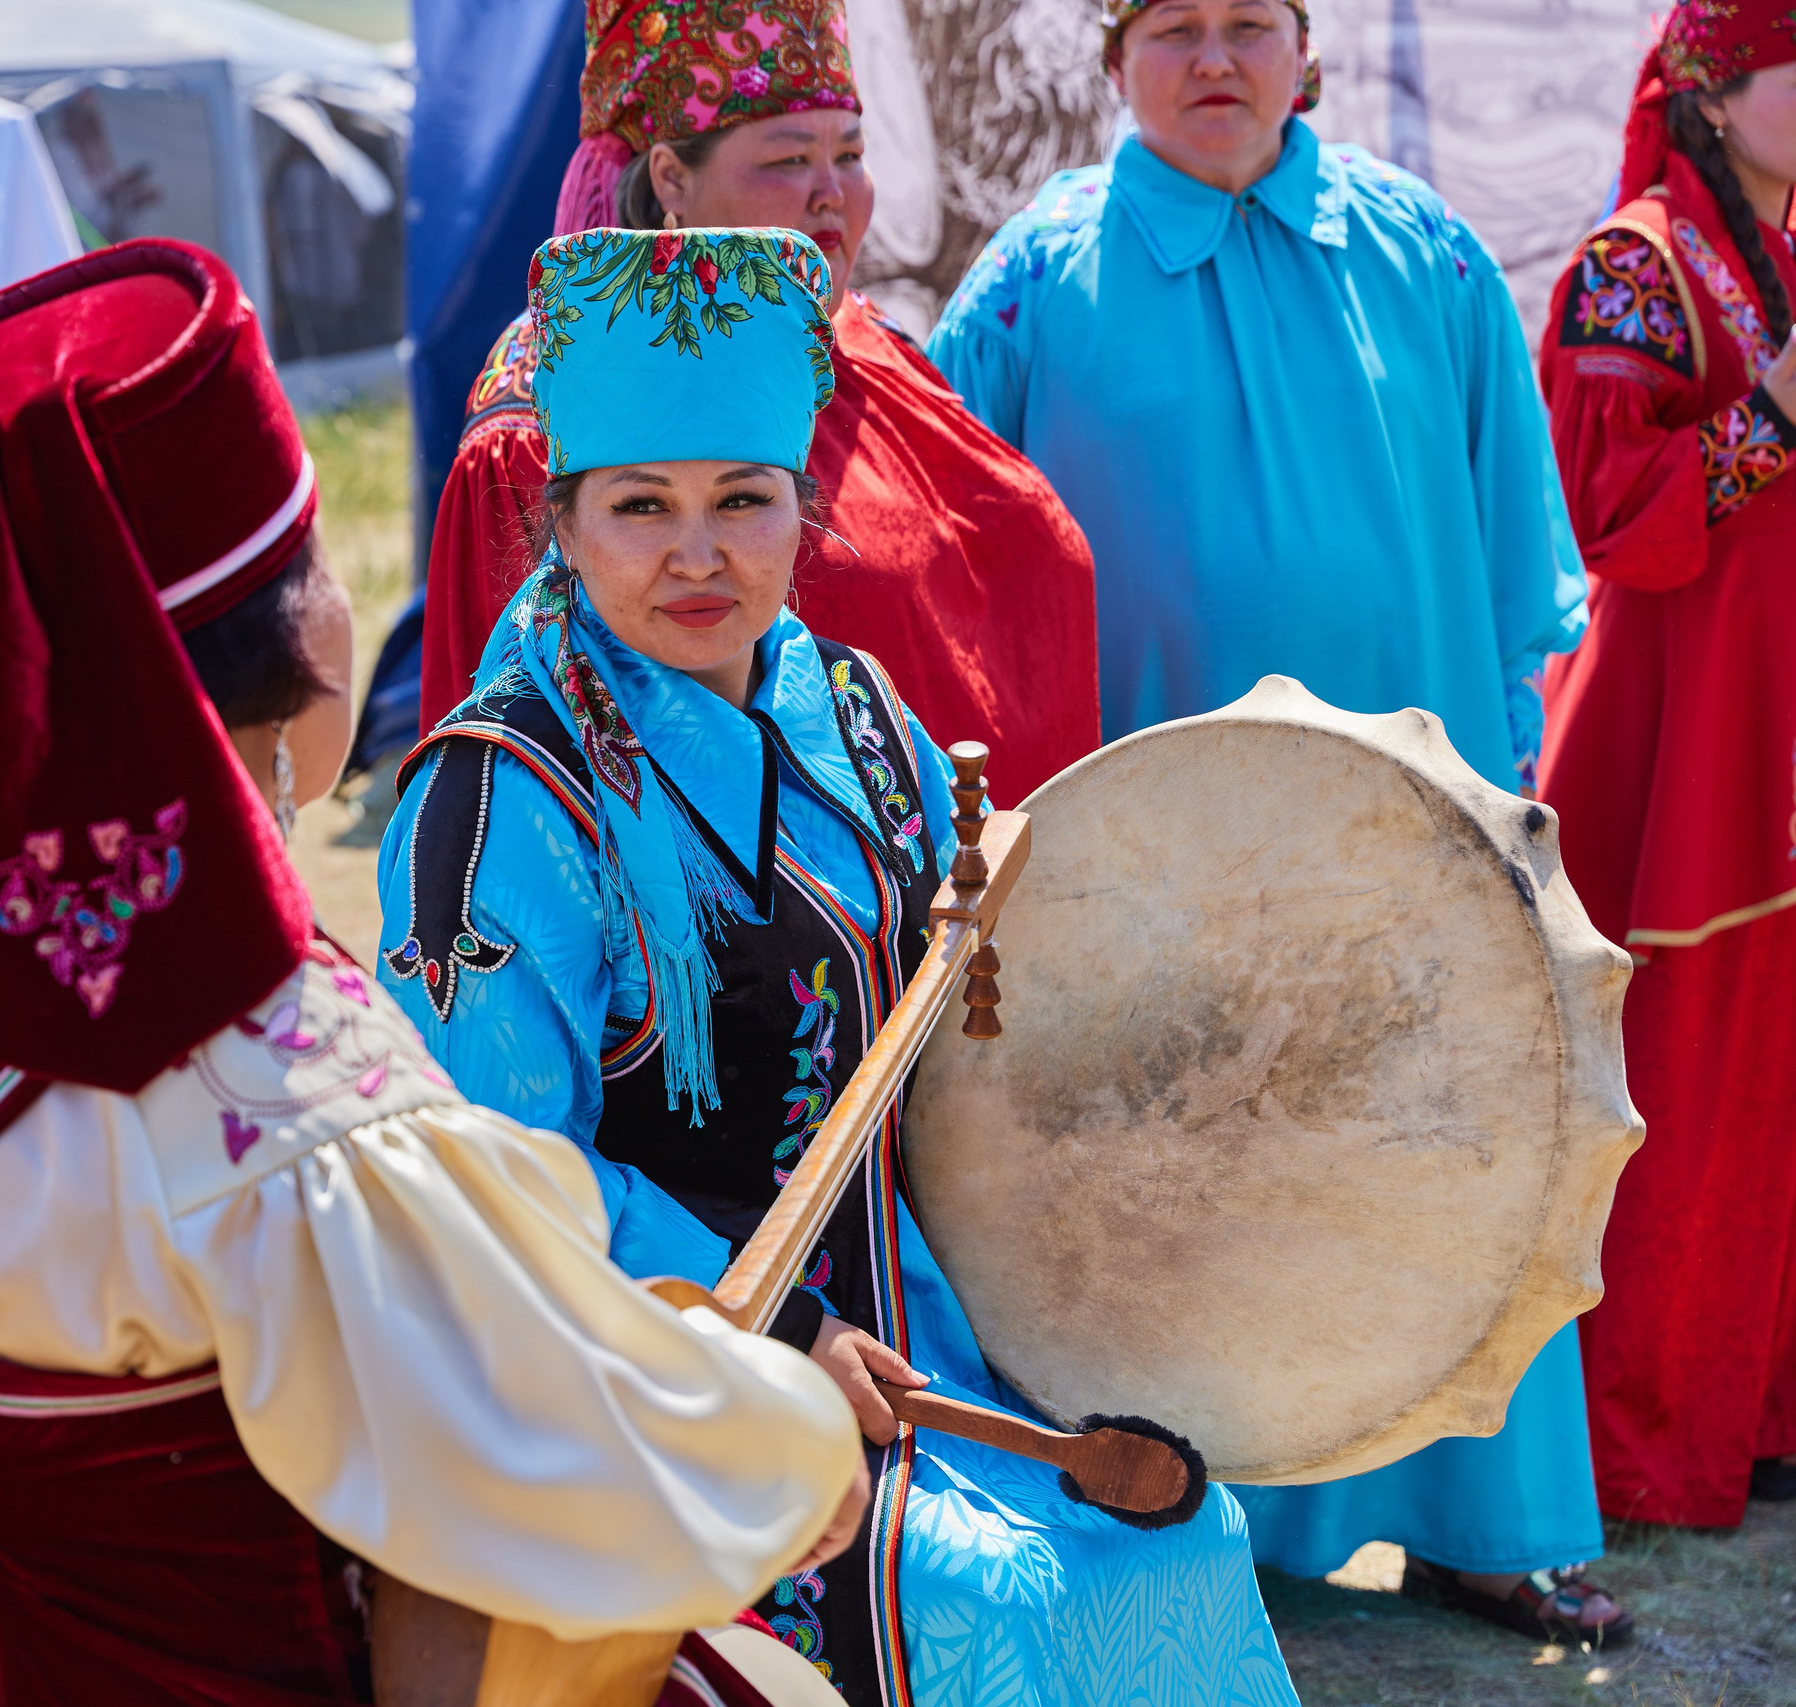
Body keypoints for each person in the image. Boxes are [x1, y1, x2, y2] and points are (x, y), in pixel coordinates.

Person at [0, 237, 869, 1704]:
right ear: (295, 635)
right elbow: (542, 1449)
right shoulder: (264, 1075)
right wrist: (787, 1441)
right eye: (319, 558)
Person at [381, 223, 1299, 1707]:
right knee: (1000, 1596)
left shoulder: (861, 718)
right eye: (640, 506)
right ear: (562, 520)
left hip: (920, 1335)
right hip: (651, 1369)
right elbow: (490, 1174)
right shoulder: (502, 798)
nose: (699, 552)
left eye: (746, 499)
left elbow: (983, 1026)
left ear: (807, 508)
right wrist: (780, 1327)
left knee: (1180, 1539)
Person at [921, 0, 1627, 1648]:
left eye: (1251, 22)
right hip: (1164, 850)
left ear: (1304, 49)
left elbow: (1514, 524)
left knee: (1451, 1128)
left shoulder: (1428, 251)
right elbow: (957, 563)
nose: (1216, 60)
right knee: (1199, 1155)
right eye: (1175, 28)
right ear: (1115, 64)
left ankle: (1487, 1522)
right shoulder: (1031, 282)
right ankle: (1194, 1518)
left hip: (1416, 822)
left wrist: (1508, 771)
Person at [417, 0, 1100, 807]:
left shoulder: (870, 344)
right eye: (787, 160)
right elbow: (509, 750)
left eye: (851, 154)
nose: (830, 193)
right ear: (672, 177)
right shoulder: (556, 413)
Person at [1536, 0, 1796, 1530]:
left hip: (1774, 720)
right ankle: (1652, 1441)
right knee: (1687, 1081)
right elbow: (1613, 509)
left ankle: (1761, 1408)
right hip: (1684, 739)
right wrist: (1767, 412)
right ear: (1713, 93)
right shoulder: (1633, 268)